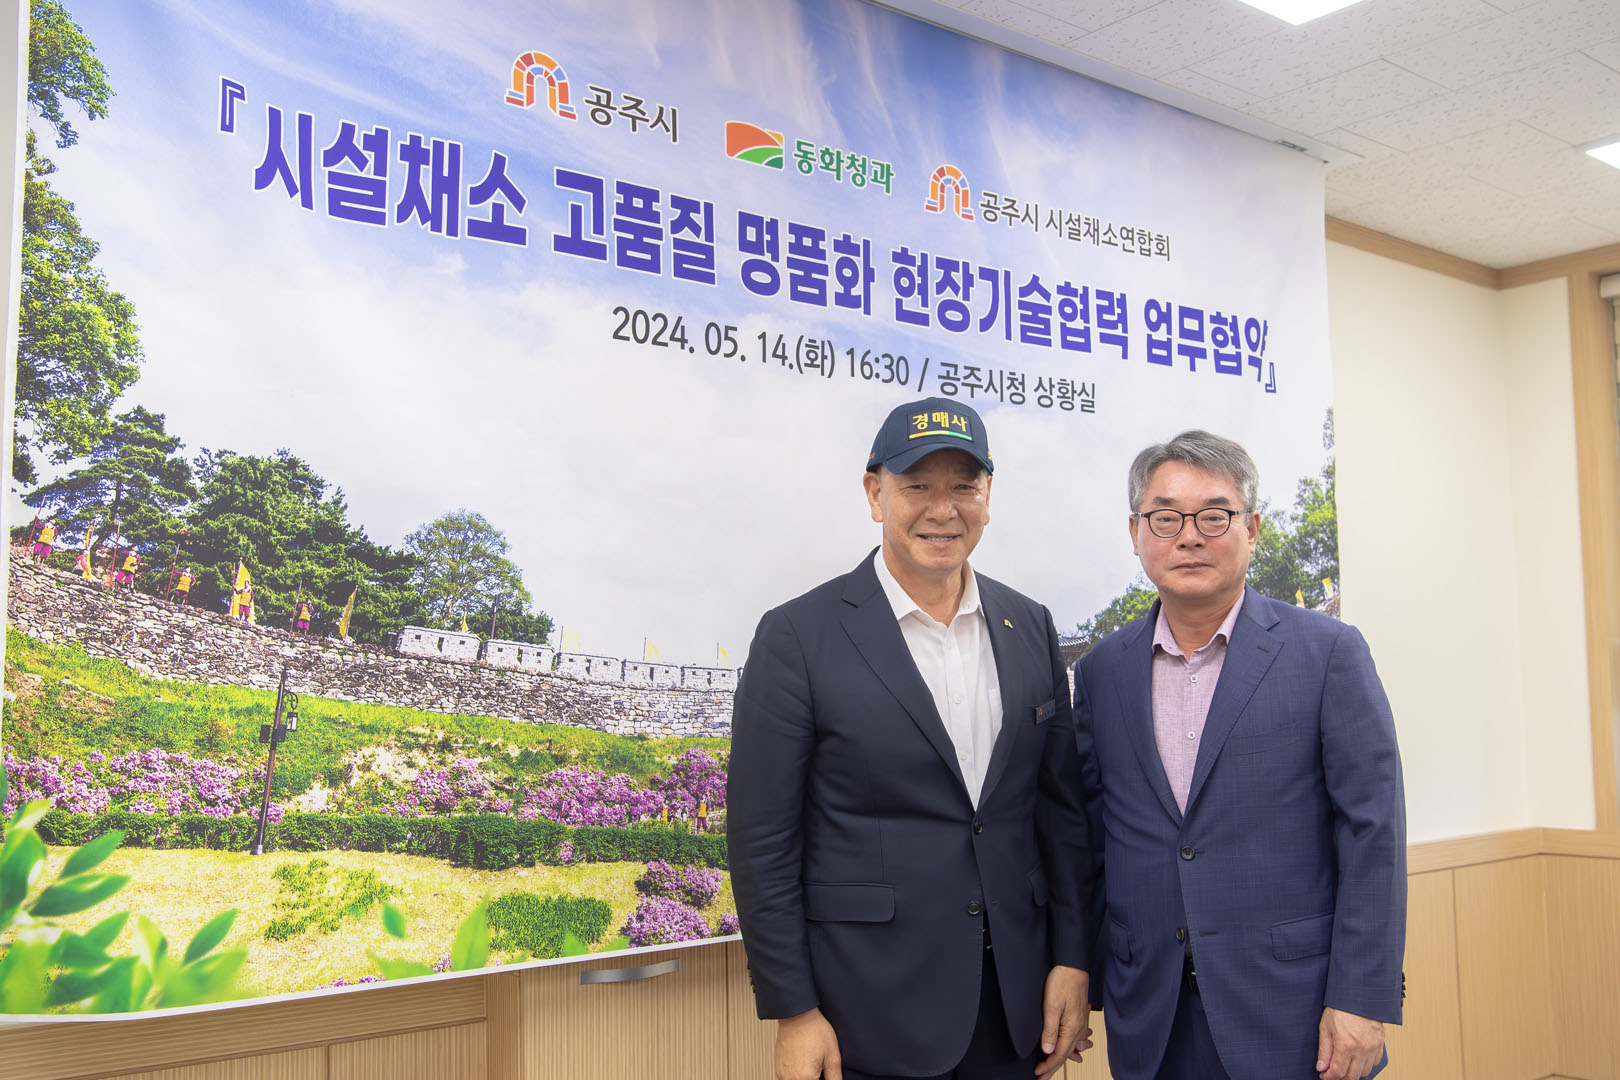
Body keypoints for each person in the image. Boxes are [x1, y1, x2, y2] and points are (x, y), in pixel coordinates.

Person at [729, 396, 1095, 1080]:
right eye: (918, 485)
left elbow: (1060, 816)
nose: (943, 509)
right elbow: (762, 842)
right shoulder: (798, 636)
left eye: (964, 486)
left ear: (989, 496)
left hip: (1013, 1007)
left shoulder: (1030, 625)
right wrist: (794, 1010)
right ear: (876, 494)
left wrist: (1073, 958)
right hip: (866, 1011)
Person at [1072, 430, 1405, 1080]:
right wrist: (1084, 974)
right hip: (1152, 1016)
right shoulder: (1103, 671)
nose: (1188, 537)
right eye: (1165, 518)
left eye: (1214, 516)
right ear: (1136, 532)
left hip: (1294, 1011)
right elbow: (1091, 838)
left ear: (1252, 529)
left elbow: (1374, 835)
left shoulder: (1329, 653)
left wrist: (1361, 999)